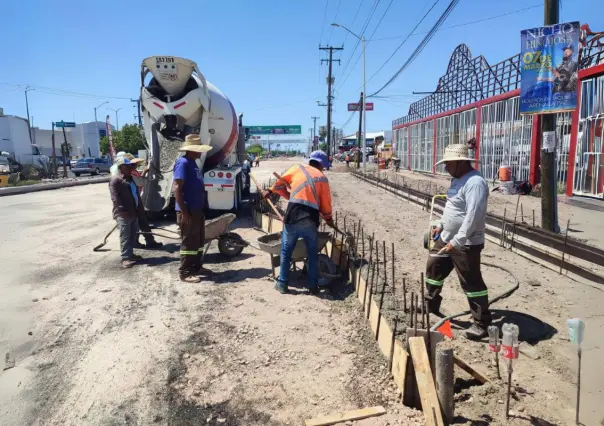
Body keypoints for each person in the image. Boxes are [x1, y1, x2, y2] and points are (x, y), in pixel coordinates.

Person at [424, 144, 491, 340]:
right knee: (433, 268)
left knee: (471, 283)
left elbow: (473, 217)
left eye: (448, 163)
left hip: (466, 243)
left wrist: (457, 241)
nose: (446, 167)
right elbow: (453, 208)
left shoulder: (475, 183)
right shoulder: (457, 179)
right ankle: (430, 303)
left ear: (461, 162)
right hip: (446, 238)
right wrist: (441, 225)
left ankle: (481, 323)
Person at [262, 150, 334, 295]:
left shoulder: (296, 168)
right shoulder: (322, 178)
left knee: (286, 251)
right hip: (310, 218)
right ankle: (313, 286)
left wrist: (289, 196)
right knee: (312, 253)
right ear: (321, 165)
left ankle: (282, 284)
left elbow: (277, 187)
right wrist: (328, 218)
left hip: (293, 215)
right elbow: (325, 203)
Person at [173, 134, 213, 283]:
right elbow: (177, 187)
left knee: (198, 241)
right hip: (188, 211)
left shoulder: (192, 163)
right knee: (189, 242)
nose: (201, 152)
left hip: (197, 210)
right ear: (190, 150)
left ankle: (196, 266)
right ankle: (185, 272)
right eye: (198, 149)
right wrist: (184, 211)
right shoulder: (183, 163)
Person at [109, 157, 145, 268]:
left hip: (133, 211)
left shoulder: (130, 179)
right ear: (121, 167)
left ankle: (131, 254)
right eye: (127, 166)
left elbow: (136, 193)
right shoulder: (116, 180)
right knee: (125, 236)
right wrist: (121, 210)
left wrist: (140, 208)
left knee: (132, 235)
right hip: (123, 213)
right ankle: (125, 258)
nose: (130, 168)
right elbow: (115, 197)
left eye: (130, 166)